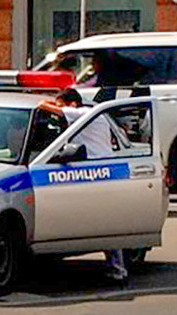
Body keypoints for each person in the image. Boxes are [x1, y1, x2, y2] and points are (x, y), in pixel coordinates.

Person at [50, 87, 131, 283]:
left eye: (62, 103)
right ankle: (117, 267)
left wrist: (49, 104)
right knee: (106, 222)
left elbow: (49, 109)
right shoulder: (95, 115)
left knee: (106, 223)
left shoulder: (84, 113)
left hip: (99, 174)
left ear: (72, 104)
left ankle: (118, 269)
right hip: (103, 172)